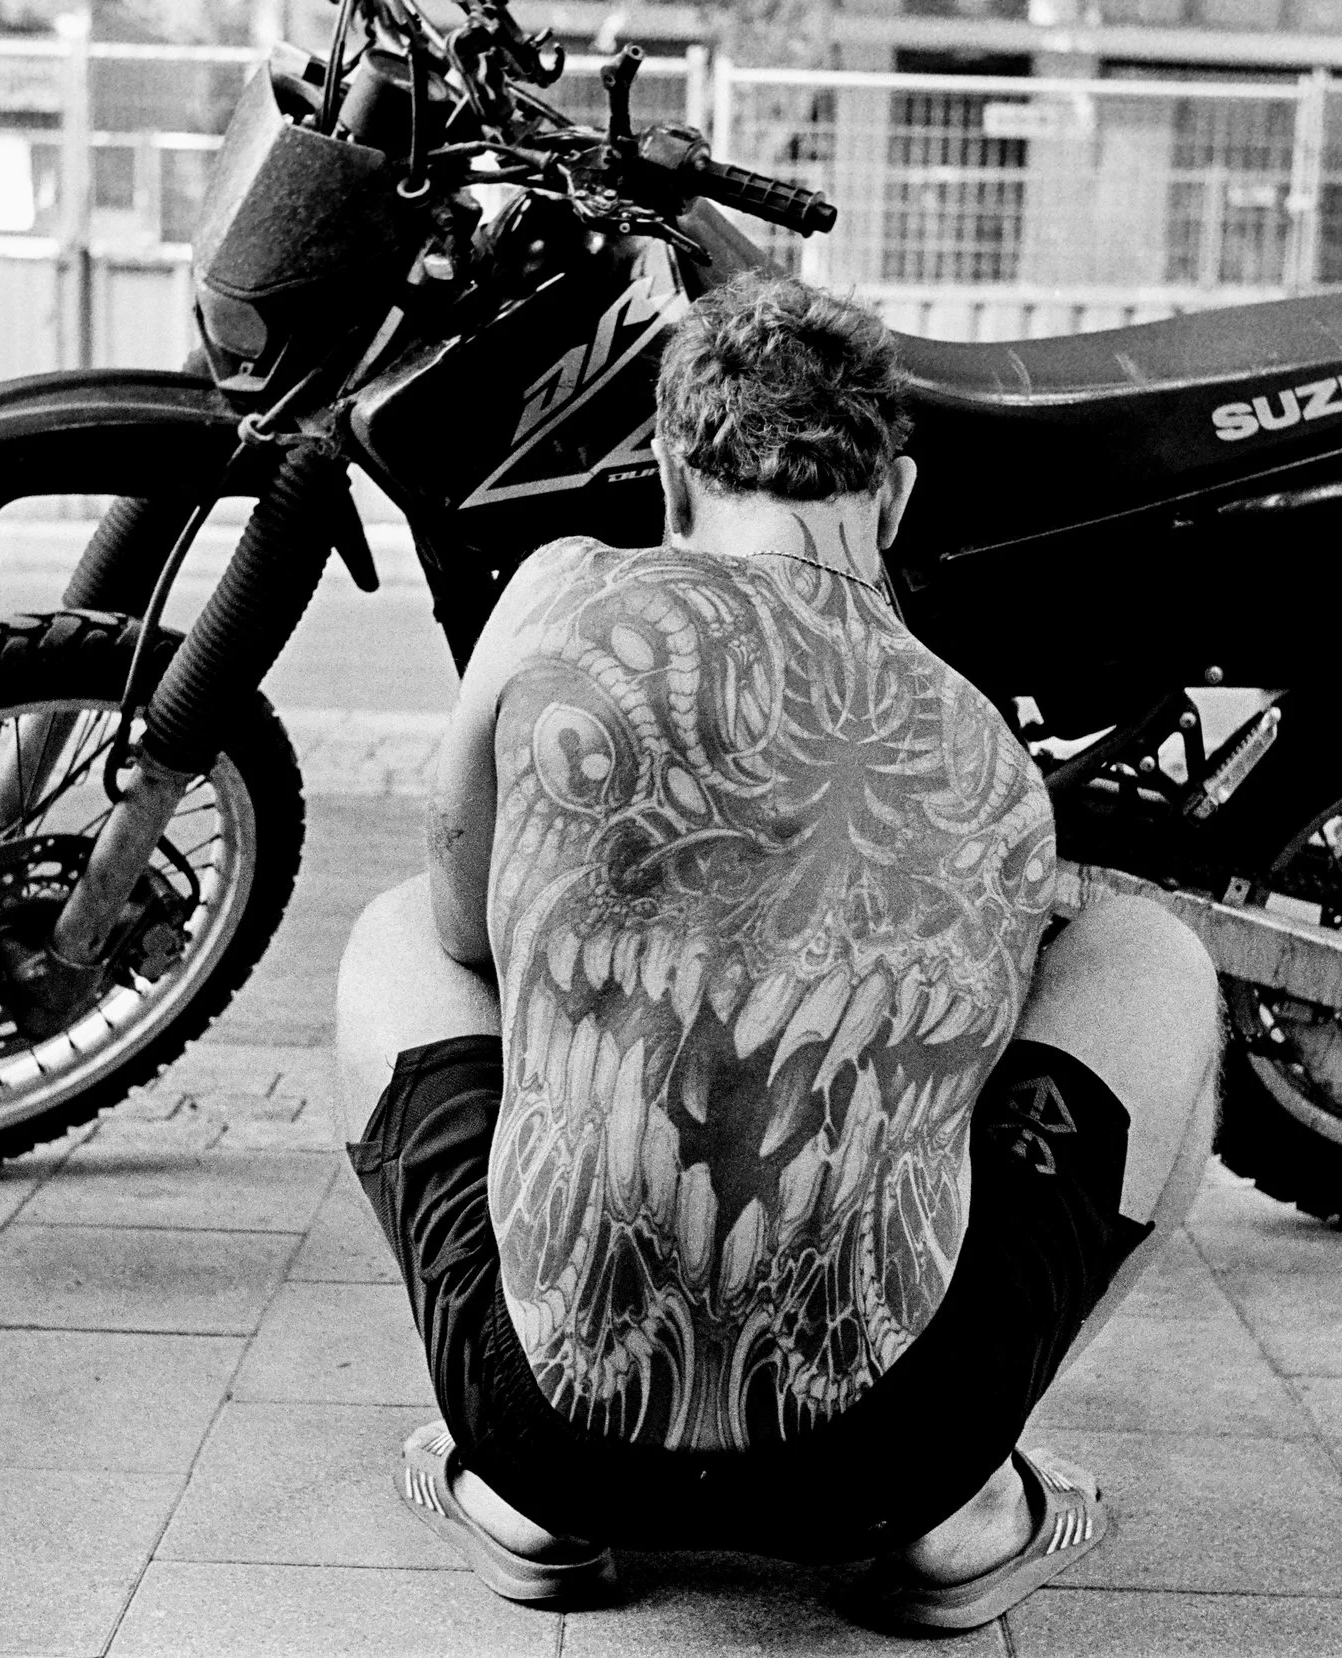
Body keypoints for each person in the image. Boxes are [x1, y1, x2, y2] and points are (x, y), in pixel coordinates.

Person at [333, 272, 1221, 1631]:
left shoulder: (574, 600)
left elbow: (463, 933)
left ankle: (532, 1513)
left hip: (539, 1420)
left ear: (670, 475)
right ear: (898, 495)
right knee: (1153, 955)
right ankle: (969, 1512)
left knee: (395, 931)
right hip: (888, 1450)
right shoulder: (980, 751)